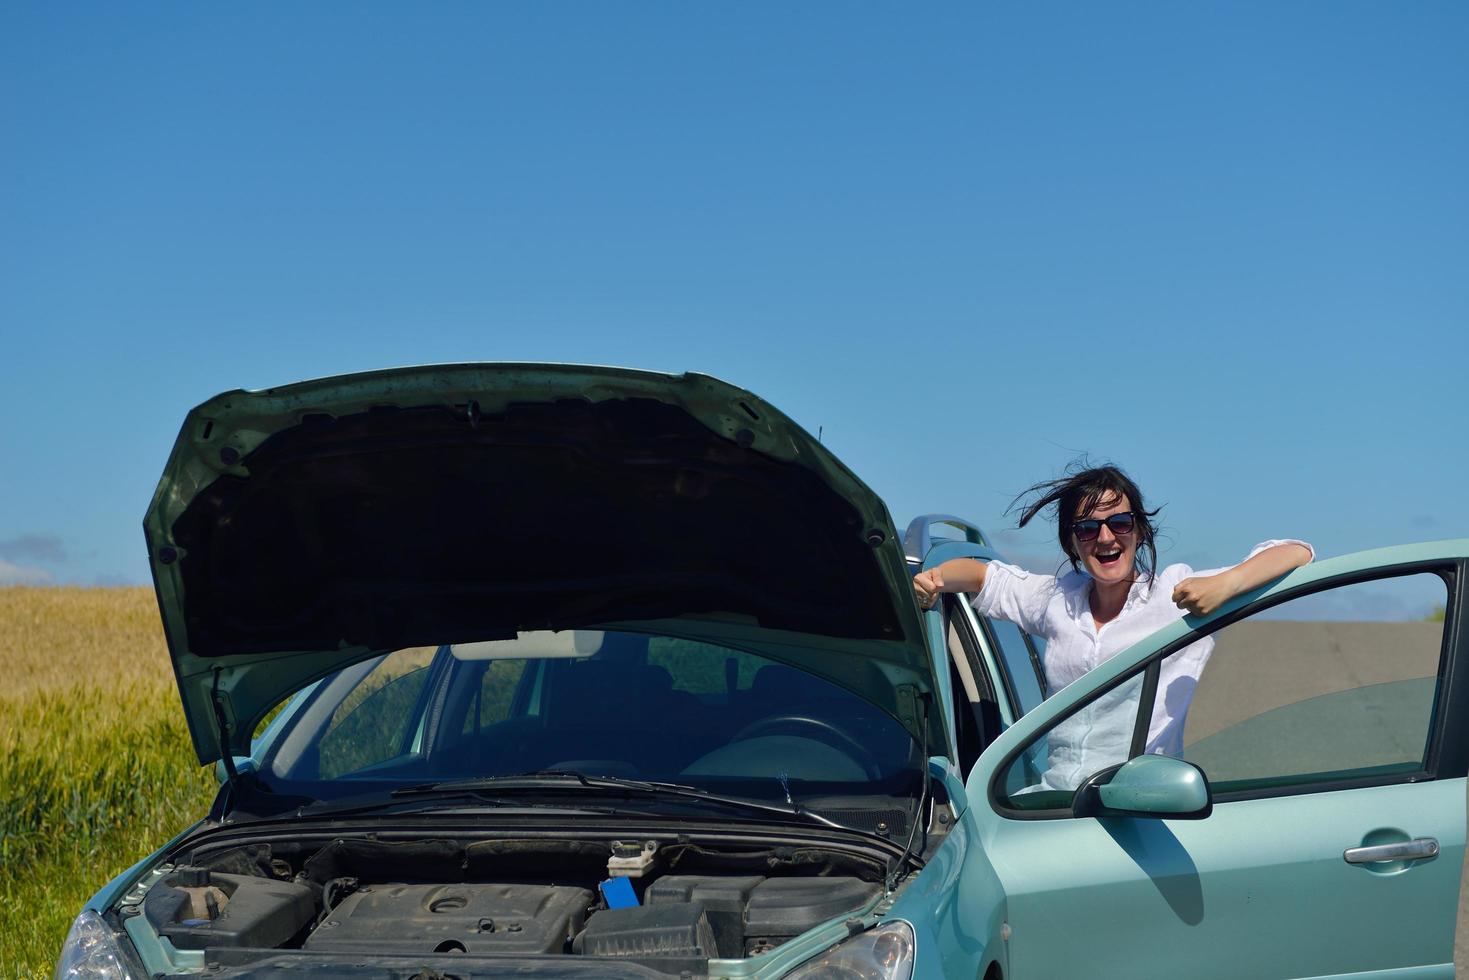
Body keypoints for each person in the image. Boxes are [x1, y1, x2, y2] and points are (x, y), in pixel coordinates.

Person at [911, 463, 1312, 791]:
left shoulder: (1175, 596)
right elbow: (985, 578)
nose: (1105, 537)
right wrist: (937, 578)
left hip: (1138, 809)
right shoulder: (1056, 599)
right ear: (1073, 544)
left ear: (1139, 531)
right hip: (1053, 807)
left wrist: (1228, 584)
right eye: (1087, 528)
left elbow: (1297, 552)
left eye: (1119, 522)